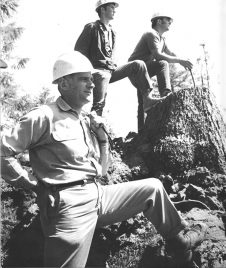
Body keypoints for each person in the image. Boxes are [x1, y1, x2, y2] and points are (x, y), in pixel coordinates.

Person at [1, 51, 207, 268]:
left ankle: (180, 246)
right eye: (83, 79)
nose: (91, 85)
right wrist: (33, 186)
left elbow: (101, 171)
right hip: (69, 207)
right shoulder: (43, 116)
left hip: (98, 196)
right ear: (63, 84)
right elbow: (2, 152)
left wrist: (102, 139)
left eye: (91, 79)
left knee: (152, 189)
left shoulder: (83, 119)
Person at [74, 0, 163, 117]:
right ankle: (95, 127)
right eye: (111, 7)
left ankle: (147, 99)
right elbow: (79, 52)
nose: (114, 10)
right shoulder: (91, 27)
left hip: (110, 70)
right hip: (96, 72)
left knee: (138, 64)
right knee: (99, 104)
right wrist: (87, 73)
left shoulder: (112, 32)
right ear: (102, 9)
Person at [129, 13, 194, 129]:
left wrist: (183, 60)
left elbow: (170, 53)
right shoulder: (151, 34)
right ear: (159, 21)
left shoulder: (161, 39)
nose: (170, 22)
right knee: (162, 64)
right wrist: (180, 60)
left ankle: (142, 131)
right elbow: (158, 55)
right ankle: (166, 94)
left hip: (142, 72)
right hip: (135, 70)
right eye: (168, 20)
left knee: (144, 102)